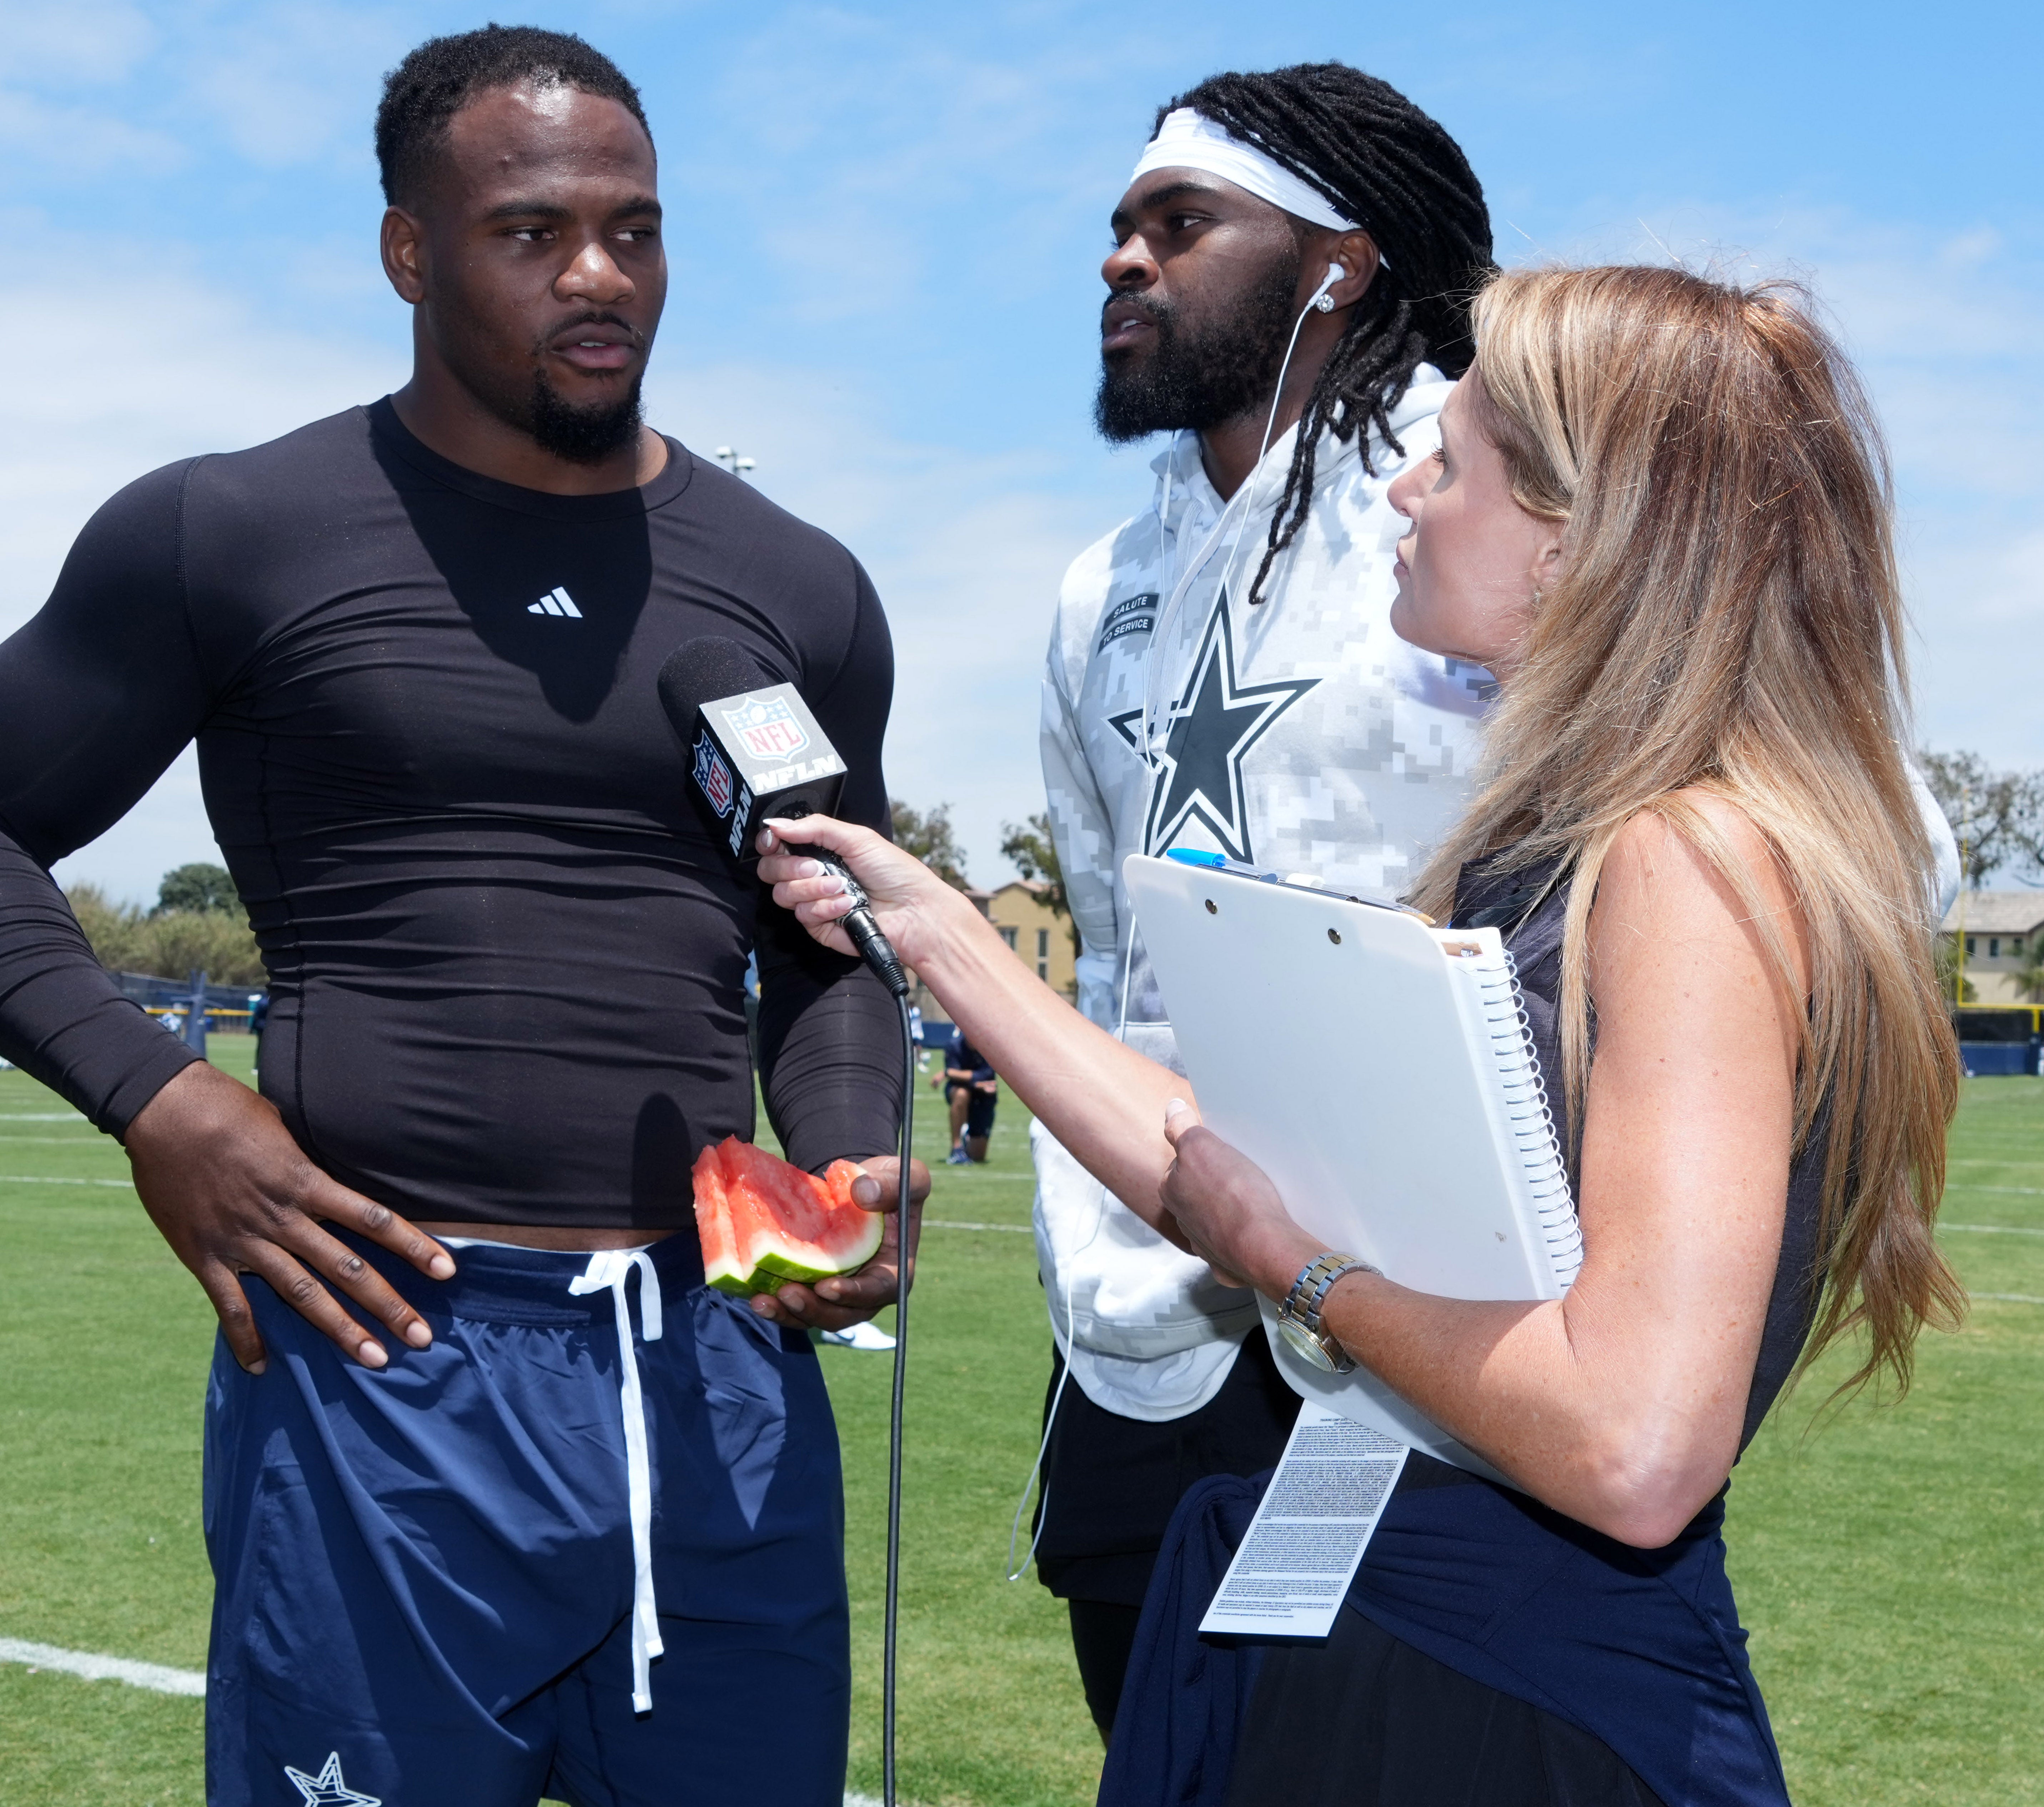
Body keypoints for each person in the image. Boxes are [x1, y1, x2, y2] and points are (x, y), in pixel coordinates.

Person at [0, 24, 917, 1807]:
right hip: (388, 1360)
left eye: (636, 230)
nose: (600, 278)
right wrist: (164, 1097)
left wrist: (841, 1155)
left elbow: (834, 941)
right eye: (532, 233)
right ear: (409, 254)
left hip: (718, 1366)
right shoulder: (237, 530)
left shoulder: (796, 582)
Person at [759, 265, 1962, 1804]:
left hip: (1506, 1703)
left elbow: (1635, 1447)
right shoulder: (1562, 842)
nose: (1403, 483)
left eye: (1449, 458)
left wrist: (1304, 1271)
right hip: (1389, 1629)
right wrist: (932, 930)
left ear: (1577, 538)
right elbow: (1225, 1162)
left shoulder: (1688, 861)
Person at [1027, 62, 1504, 1733]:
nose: (1122, 264)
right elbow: (1103, 957)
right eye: (1116, 232)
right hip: (1141, 1326)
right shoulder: (1104, 587)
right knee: (1152, 1760)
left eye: (1178, 223)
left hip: (1427, 1348)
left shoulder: (1488, 505)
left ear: (1337, 264)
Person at [934, 1026, 998, 1163]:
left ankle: (967, 1136)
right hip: (960, 1089)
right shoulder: (954, 1046)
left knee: (978, 1157)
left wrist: (948, 1073)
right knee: (962, 1094)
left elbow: (987, 1075)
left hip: (984, 1098)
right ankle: (956, 1148)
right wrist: (977, 1084)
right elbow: (956, 1078)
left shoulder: (990, 1048)